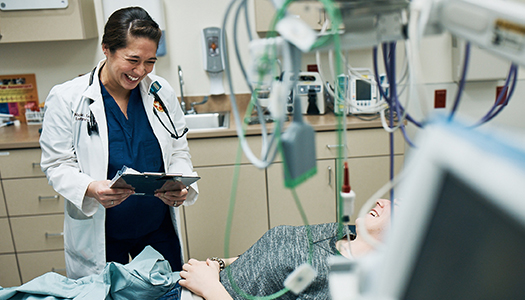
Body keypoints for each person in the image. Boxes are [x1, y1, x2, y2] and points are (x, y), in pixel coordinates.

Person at [39, 6, 198, 279]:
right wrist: (90, 187)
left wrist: (180, 186)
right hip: (102, 232)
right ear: (106, 49)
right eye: (133, 59)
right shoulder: (67, 98)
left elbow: (178, 149)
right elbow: (56, 164)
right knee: (106, 294)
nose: (141, 71)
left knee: (166, 292)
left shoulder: (160, 91)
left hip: (157, 228)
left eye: (150, 62)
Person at [161, 199, 393, 300]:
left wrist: (209, 286)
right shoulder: (339, 231)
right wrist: (218, 264)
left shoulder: (340, 284)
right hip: (190, 282)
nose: (381, 201)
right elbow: (274, 257)